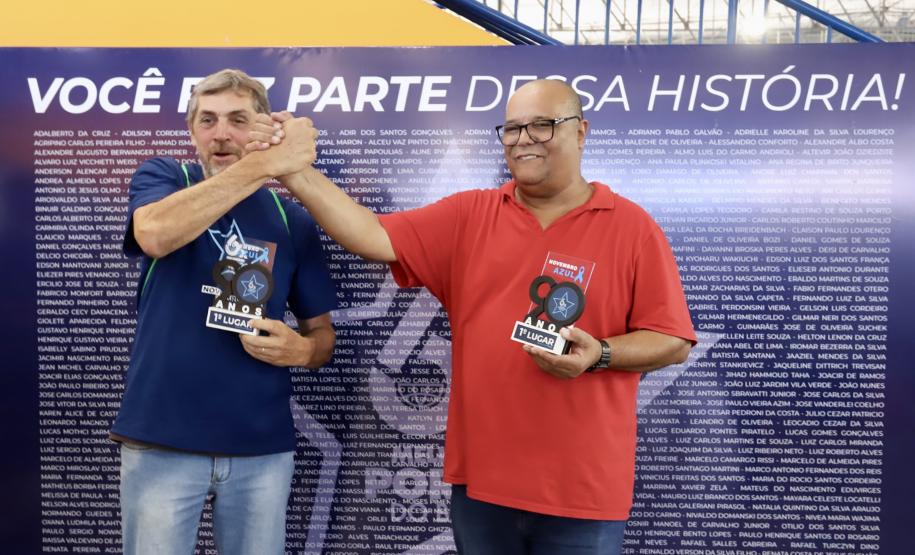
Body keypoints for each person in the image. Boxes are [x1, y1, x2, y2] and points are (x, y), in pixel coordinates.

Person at [253, 79, 696, 555]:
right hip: (483, 489)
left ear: (581, 131)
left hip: (583, 493)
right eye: (511, 128)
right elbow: (370, 234)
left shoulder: (631, 227)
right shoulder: (471, 215)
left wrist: (602, 354)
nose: (523, 139)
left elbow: (672, 340)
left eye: (542, 125)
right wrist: (294, 170)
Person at [110, 68, 336, 555]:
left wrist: (301, 350)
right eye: (207, 120)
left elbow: (322, 337)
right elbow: (154, 234)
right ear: (191, 132)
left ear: (262, 127)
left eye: (238, 119)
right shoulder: (166, 176)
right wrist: (262, 165)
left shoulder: (289, 218)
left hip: (260, 448)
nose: (222, 134)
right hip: (162, 441)